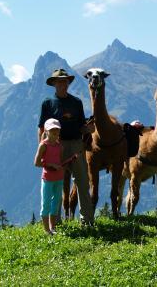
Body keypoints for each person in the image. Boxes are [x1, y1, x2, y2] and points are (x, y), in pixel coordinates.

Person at [38, 69, 95, 225]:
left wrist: (88, 129)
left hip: (76, 144)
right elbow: (42, 128)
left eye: (65, 81)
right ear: (54, 84)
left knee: (82, 182)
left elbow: (82, 126)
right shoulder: (48, 103)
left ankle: (87, 221)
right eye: (59, 81)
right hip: (56, 146)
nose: (63, 84)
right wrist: (42, 148)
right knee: (55, 184)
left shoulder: (76, 102)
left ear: (68, 83)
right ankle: (54, 222)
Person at [34, 118, 64, 235]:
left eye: (57, 131)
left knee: (56, 203)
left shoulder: (59, 146)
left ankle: (53, 228)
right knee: (46, 203)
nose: (55, 133)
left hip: (59, 178)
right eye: (53, 131)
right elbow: (36, 163)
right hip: (47, 179)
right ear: (46, 131)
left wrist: (60, 166)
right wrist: (50, 165)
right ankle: (47, 230)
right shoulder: (43, 145)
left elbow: (59, 161)